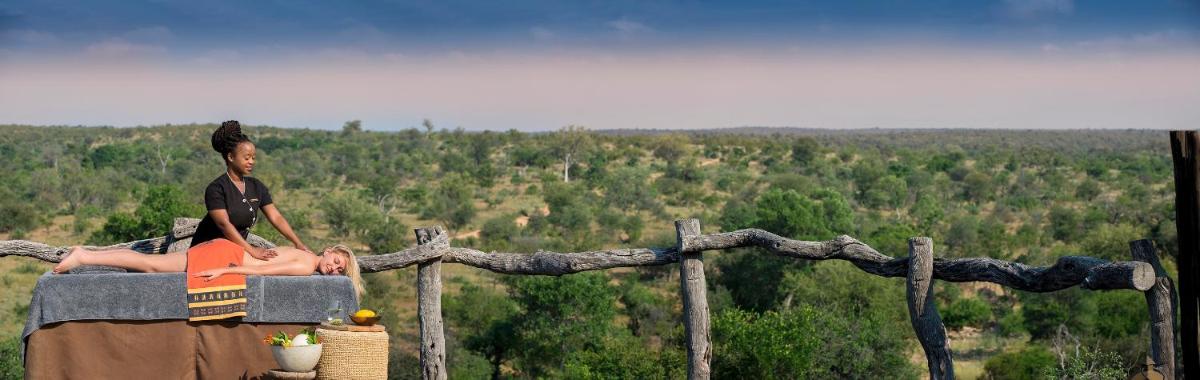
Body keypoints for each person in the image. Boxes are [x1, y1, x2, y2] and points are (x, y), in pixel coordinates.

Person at [52, 240, 365, 299]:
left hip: (228, 253)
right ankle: (84, 256)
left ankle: (88, 255)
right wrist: (224, 271)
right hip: (227, 257)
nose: (333, 270)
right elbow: (264, 271)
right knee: (150, 265)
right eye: (337, 262)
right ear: (330, 251)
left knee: (152, 266)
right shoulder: (306, 263)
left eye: (339, 271)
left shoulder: (307, 254)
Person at [190, 120, 308, 261]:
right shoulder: (216, 188)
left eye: (253, 157)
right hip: (208, 250)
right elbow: (224, 225)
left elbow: (276, 217)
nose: (251, 161)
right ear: (231, 157)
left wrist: (298, 243)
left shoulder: (256, 186)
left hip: (235, 250)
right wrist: (252, 251)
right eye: (246, 158)